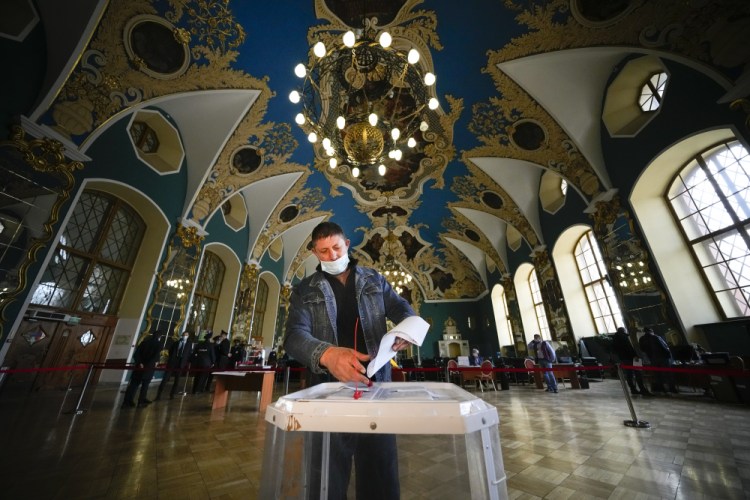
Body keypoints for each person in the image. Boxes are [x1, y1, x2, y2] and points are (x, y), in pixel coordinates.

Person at [283, 221, 417, 499]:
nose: (331, 256)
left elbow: (402, 308)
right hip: (326, 390)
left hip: (376, 387)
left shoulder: (374, 279)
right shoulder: (304, 290)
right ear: (314, 253)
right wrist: (327, 354)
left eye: (335, 247)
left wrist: (407, 328)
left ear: (347, 245)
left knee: (380, 473)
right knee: (326, 476)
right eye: (323, 251)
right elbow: (294, 337)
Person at [122, 331, 163, 408]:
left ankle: (127, 401)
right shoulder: (159, 344)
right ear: (160, 337)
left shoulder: (144, 342)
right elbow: (155, 356)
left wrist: (140, 363)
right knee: (145, 384)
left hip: (139, 366)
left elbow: (136, 354)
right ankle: (141, 401)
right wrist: (150, 364)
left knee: (133, 385)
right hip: (149, 367)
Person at [612, 327, 651, 396]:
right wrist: (635, 356)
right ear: (624, 330)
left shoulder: (615, 338)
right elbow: (629, 348)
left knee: (629, 374)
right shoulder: (624, 337)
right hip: (632, 358)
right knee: (638, 373)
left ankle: (633, 389)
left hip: (623, 358)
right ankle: (642, 389)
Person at [638, 327, 678, 394]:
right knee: (667, 373)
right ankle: (672, 388)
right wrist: (669, 356)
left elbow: (642, 349)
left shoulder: (642, 339)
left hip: (652, 358)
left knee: (657, 374)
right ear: (651, 331)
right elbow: (664, 347)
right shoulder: (656, 337)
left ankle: (661, 388)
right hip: (662, 358)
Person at [156, 331, 194, 400]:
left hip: (181, 363)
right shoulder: (176, 343)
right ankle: (158, 395)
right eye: (184, 335)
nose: (185, 336)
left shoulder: (189, 344)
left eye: (186, 335)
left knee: (177, 380)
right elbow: (170, 351)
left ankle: (172, 395)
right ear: (182, 335)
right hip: (172, 362)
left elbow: (189, 353)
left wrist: (187, 361)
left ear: (188, 336)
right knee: (165, 379)